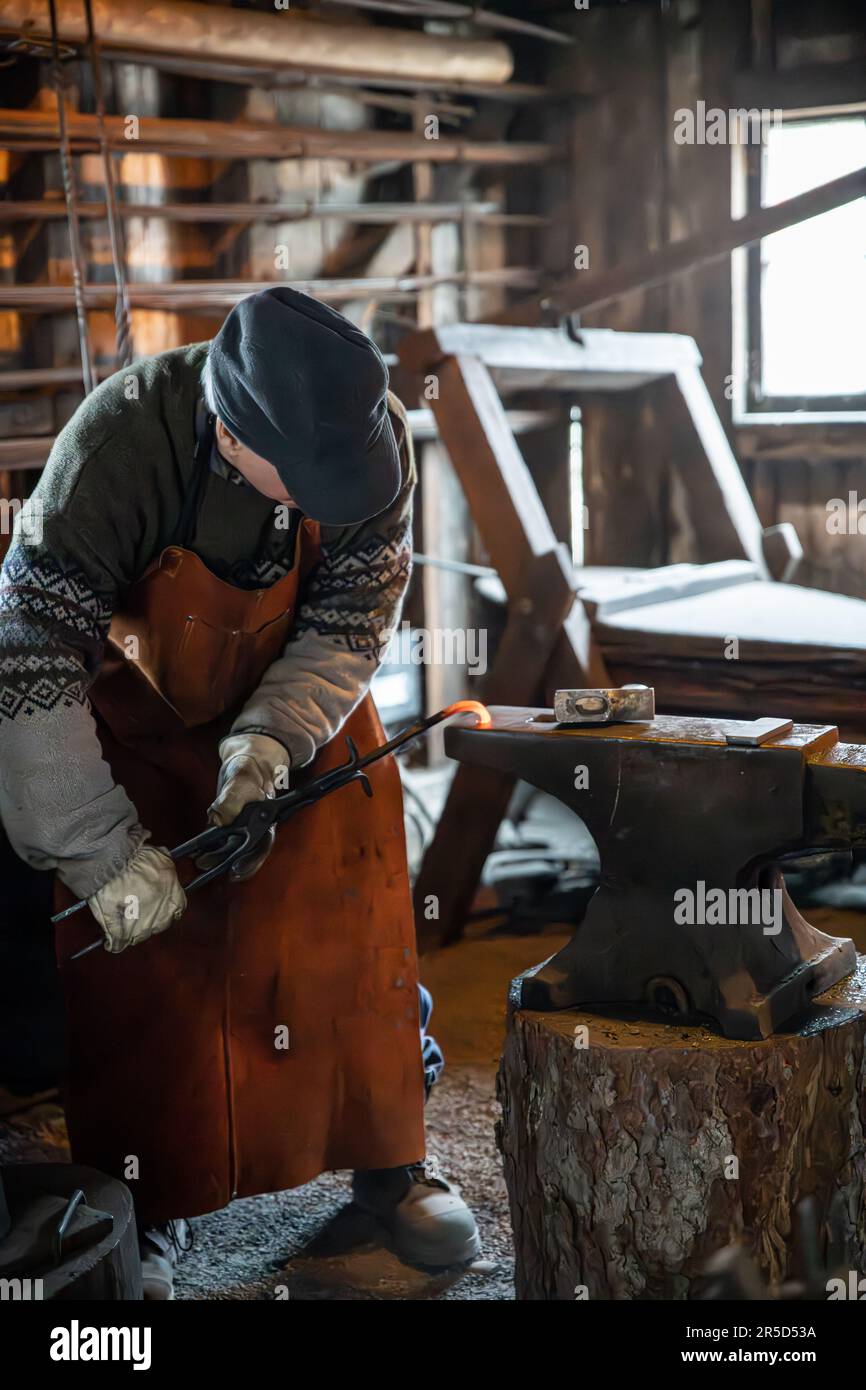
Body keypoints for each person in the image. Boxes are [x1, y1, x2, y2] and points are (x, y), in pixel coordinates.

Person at [0, 287, 478, 1298]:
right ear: (228, 429)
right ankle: (157, 1193)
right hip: (133, 721)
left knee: (353, 907)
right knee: (149, 966)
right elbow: (28, 667)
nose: (320, 501)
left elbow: (350, 620)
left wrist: (268, 746)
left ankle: (391, 1165)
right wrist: (100, 855)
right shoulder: (119, 450)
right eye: (301, 484)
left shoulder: (371, 440)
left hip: (287, 701)